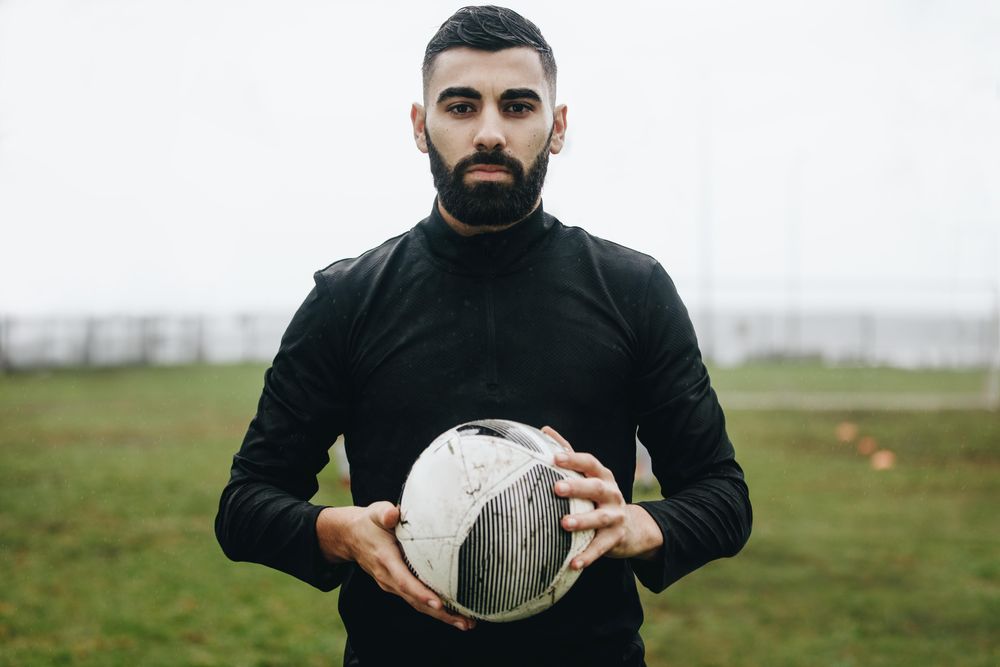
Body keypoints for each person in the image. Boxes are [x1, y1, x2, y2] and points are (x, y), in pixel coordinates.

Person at [215, 6, 751, 666]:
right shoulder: (347, 299)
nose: (490, 132)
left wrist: (635, 522)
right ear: (421, 126)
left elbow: (723, 497)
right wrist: (341, 531)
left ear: (556, 129)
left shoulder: (632, 289)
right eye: (462, 107)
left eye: (519, 107)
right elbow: (245, 506)